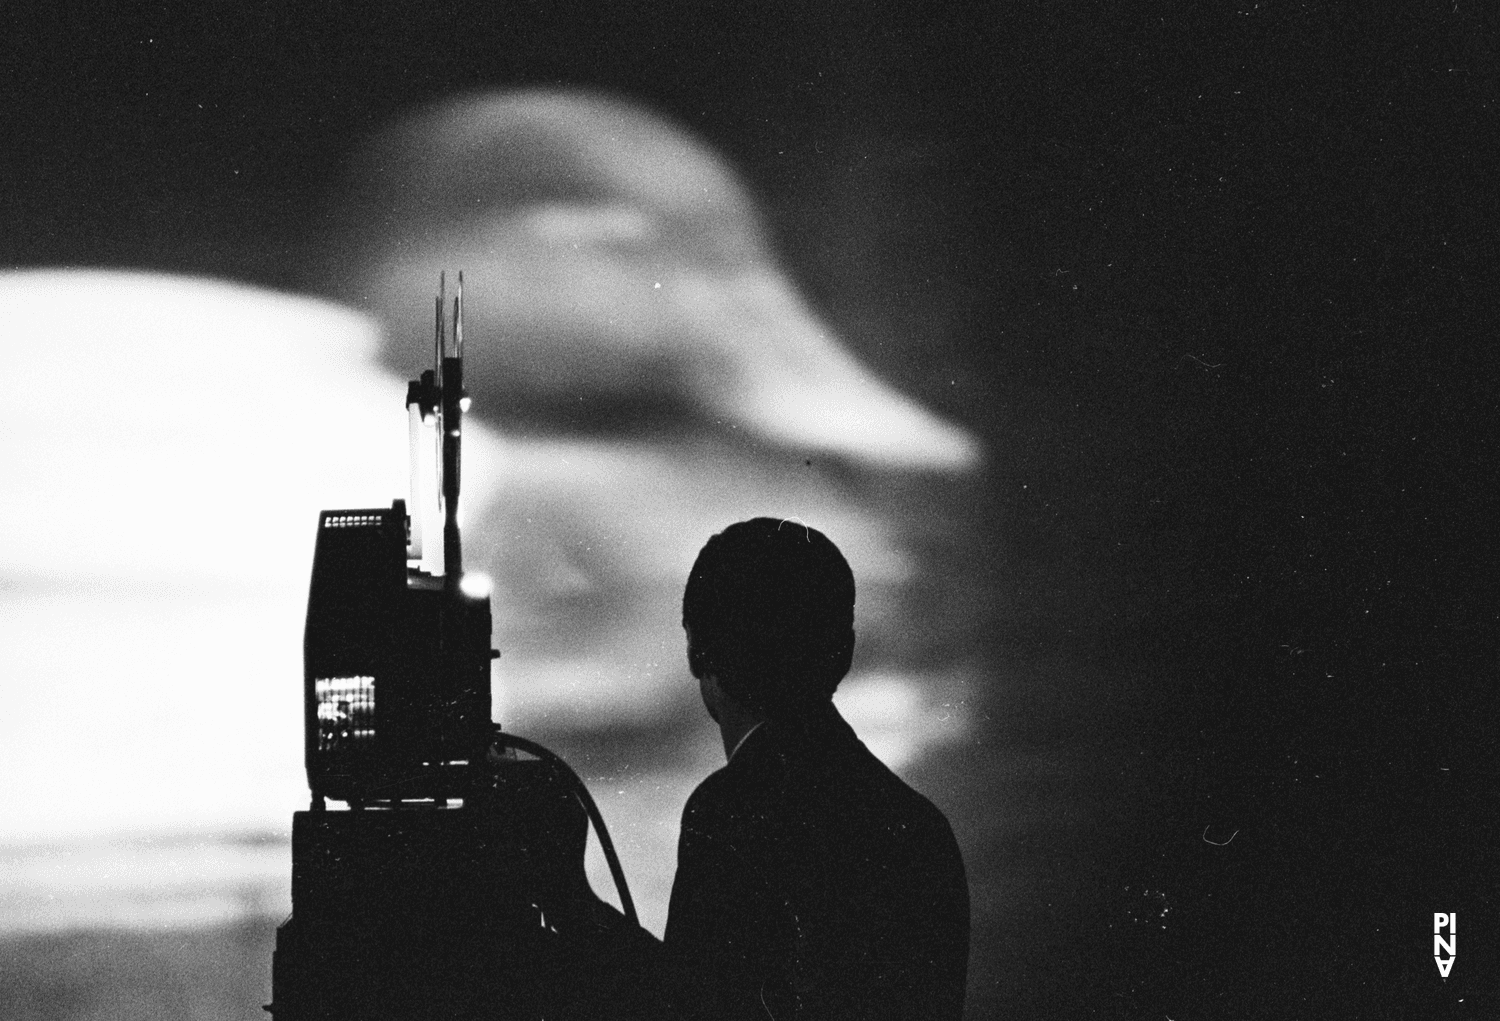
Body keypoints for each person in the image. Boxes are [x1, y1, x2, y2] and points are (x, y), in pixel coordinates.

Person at [661, 517, 970, 1020]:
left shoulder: (728, 809)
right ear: (843, 653)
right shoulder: (922, 828)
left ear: (698, 651)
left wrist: (573, 906)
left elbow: (688, 1004)